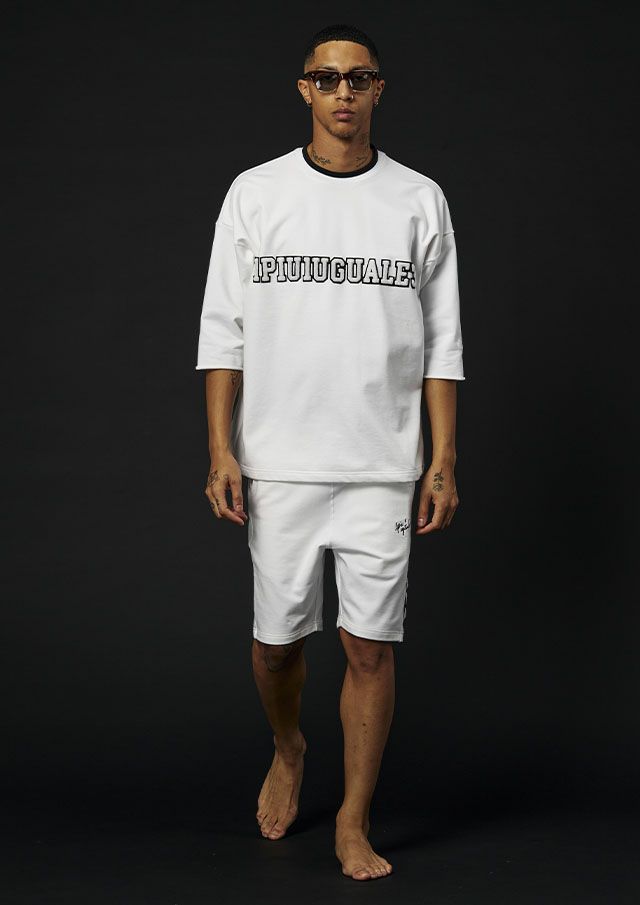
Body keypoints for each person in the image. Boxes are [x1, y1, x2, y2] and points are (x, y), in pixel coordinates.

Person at [195, 22, 465, 882]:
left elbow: (443, 343)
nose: (342, 92)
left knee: (368, 646)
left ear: (379, 89)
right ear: (304, 89)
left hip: (381, 461)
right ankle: (289, 744)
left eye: (358, 78)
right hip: (279, 458)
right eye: (326, 77)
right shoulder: (256, 193)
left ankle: (353, 818)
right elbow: (223, 331)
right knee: (277, 644)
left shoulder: (419, 198)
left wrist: (442, 458)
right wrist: (221, 449)